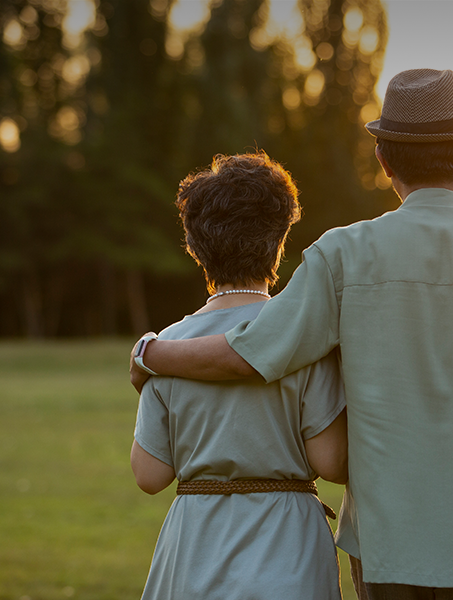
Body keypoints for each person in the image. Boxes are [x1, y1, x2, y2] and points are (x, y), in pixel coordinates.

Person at [130, 69, 453, 600]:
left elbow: (251, 353)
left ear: (384, 159)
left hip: (388, 541)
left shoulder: (342, 254)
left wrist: (152, 352)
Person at [129, 152, 349, 600]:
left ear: (194, 244)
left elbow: (149, 474)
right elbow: (331, 462)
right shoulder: (302, 338)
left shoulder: (168, 346)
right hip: (287, 548)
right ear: (280, 237)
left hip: (194, 548)